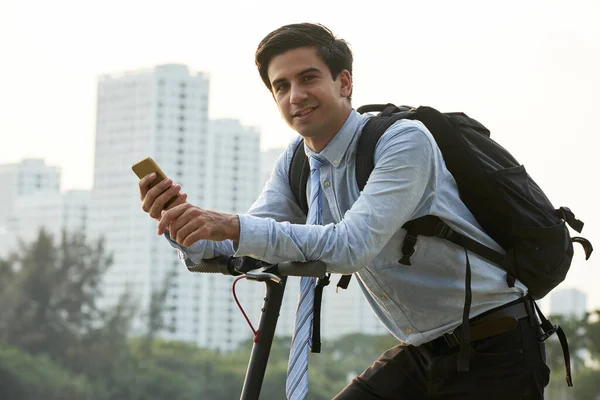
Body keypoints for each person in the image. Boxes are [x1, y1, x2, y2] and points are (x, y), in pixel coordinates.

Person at [138, 23, 550, 400]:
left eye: (308, 78)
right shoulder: (296, 163)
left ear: (344, 81)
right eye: (281, 86)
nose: (295, 95)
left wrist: (229, 225)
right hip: (422, 351)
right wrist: (186, 227)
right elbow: (249, 245)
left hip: (498, 347)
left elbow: (350, 246)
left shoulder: (403, 142)